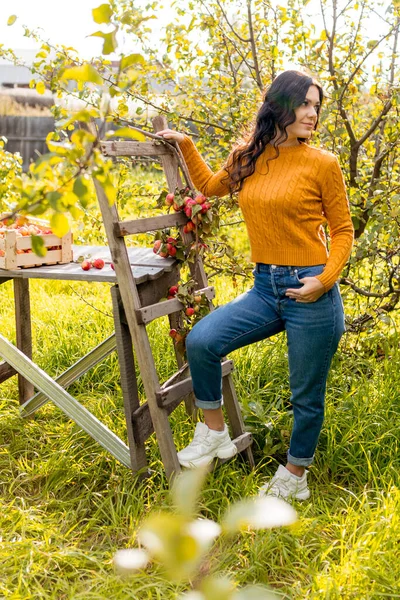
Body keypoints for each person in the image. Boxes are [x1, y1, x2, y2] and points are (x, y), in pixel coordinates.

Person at [157, 70, 354, 501]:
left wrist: (321, 281)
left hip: (313, 290)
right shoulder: (249, 156)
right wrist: (186, 144)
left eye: (316, 106)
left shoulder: (323, 163)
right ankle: (214, 432)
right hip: (266, 287)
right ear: (280, 105)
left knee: (305, 393)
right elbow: (211, 187)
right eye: (304, 104)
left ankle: (294, 476)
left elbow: (343, 231)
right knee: (203, 341)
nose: (312, 113)